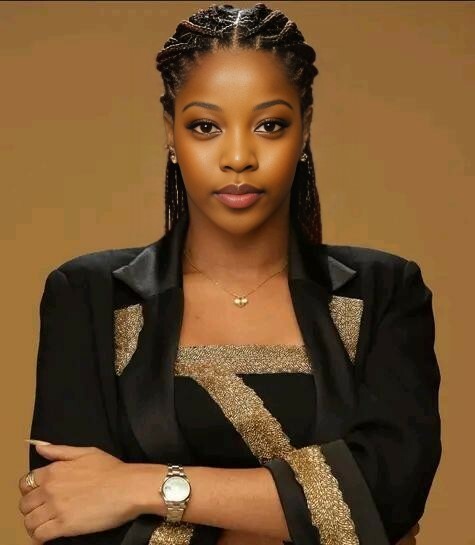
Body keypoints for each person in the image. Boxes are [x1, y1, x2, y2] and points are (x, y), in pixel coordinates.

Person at [18, 3, 441, 545]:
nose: (238, 156)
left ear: (305, 129)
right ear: (170, 131)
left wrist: (140, 486)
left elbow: (389, 495)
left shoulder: (385, 290)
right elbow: (67, 512)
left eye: (270, 125)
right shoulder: (88, 296)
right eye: (205, 126)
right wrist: (318, 519)